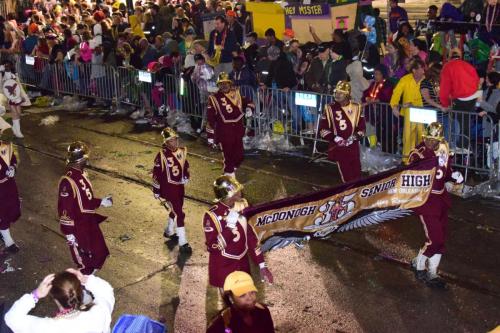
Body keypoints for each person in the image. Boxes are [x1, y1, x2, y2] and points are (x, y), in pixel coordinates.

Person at [409, 122, 464, 289]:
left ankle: (433, 271)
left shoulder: (444, 147)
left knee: (441, 238)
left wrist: (454, 176)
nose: (432, 143)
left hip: (441, 198)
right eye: (429, 139)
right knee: (435, 238)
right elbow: (412, 178)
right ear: (424, 137)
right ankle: (418, 264)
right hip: (426, 200)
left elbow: (445, 172)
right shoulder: (417, 154)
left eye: (436, 140)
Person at [203, 176, 273, 297]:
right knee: (231, 305)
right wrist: (229, 226)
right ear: (227, 196)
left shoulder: (243, 207)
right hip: (224, 269)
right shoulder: (212, 216)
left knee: (246, 302)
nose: (240, 194)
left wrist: (262, 265)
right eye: (236, 192)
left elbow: (251, 236)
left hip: (243, 265)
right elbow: (213, 247)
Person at [58, 142, 113, 275]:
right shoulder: (68, 181)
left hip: (89, 222)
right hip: (77, 226)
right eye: (86, 158)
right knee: (86, 261)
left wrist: (101, 202)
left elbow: (85, 199)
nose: (87, 160)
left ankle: (87, 283)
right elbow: (64, 209)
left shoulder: (81, 174)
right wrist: (69, 232)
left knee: (100, 253)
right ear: (81, 160)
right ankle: (82, 290)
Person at [5, 268, 114, 332]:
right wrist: (84, 279)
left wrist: (35, 295)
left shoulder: (48, 328)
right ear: (80, 290)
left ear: (54, 298)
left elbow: (11, 318)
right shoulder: (99, 312)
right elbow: (106, 291)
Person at [206, 73, 254, 178]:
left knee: (240, 156)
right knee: (228, 156)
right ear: (218, 85)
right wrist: (210, 136)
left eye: (226, 83)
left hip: (237, 129)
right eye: (221, 84)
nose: (224, 85)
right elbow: (210, 118)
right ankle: (229, 176)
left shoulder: (236, 94)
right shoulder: (213, 98)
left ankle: (230, 169)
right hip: (224, 131)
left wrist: (249, 108)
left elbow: (249, 102)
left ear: (229, 84)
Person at [153, 127, 192, 254]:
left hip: (179, 186)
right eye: (171, 140)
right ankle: (183, 241)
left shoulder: (181, 151)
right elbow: (156, 174)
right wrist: (156, 190)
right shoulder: (161, 155)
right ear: (166, 142)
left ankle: (169, 230)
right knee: (180, 214)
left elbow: (185, 165)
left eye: (175, 139)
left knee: (176, 210)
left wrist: (186, 176)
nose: (174, 142)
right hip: (169, 188)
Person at [319, 81, 365, 183]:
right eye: (337, 92)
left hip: (353, 148)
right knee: (347, 179)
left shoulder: (357, 107)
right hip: (340, 149)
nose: (337, 95)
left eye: (341, 93)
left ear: (347, 94)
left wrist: (354, 137)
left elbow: (362, 129)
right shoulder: (329, 108)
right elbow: (322, 130)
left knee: (358, 176)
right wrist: (335, 138)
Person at [207, 271, 275, 333]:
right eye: (242, 295)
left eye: (252, 292)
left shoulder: (263, 312)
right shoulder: (220, 324)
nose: (250, 298)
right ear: (230, 297)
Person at [390, 57, 426, 164]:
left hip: (423, 113)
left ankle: (422, 160)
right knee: (408, 137)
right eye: (421, 69)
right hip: (409, 113)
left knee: (423, 137)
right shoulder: (405, 79)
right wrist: (394, 106)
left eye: (423, 69)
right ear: (414, 70)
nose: (423, 71)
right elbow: (396, 93)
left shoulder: (427, 80)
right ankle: (406, 161)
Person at [0, 134, 20, 253]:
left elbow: (13, 159)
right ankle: (8, 240)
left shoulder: (4, 145)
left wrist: (13, 167)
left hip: (8, 186)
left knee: (10, 210)